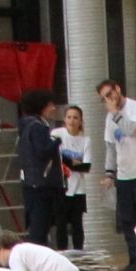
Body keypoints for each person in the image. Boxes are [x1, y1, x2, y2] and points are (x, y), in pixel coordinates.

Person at [99, 79, 136, 270]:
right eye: (104, 98)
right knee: (127, 219)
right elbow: (110, 147)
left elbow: (130, 130)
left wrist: (115, 113)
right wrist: (109, 173)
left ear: (118, 89)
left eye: (110, 94)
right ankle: (135, 260)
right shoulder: (109, 118)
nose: (109, 100)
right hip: (124, 174)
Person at [14, 90, 64, 250]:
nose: (53, 108)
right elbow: (42, 151)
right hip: (41, 184)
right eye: (50, 105)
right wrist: (56, 141)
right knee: (39, 227)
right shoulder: (37, 127)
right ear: (41, 107)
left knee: (37, 226)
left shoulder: (27, 126)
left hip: (31, 182)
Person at [53, 104, 91, 252]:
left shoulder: (85, 140)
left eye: (75, 118)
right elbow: (55, 159)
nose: (72, 120)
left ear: (80, 121)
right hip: (61, 187)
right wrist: (73, 162)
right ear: (64, 119)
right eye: (69, 117)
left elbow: (86, 167)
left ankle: (79, 253)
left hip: (78, 189)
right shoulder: (58, 134)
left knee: (77, 224)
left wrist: (66, 161)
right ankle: (62, 254)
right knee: (61, 224)